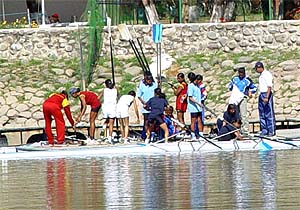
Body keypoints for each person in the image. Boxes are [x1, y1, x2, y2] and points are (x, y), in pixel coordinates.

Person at [228, 67, 257, 134]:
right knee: (236, 114)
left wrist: (250, 92)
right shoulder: (234, 79)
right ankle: (237, 129)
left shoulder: (247, 80)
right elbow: (230, 87)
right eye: (240, 73)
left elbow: (254, 88)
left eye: (242, 73)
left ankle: (245, 130)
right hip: (235, 98)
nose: (241, 74)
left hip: (243, 98)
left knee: (243, 114)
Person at [255, 61, 276, 136]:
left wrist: (267, 96)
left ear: (260, 67)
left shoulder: (267, 74)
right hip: (261, 94)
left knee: (269, 113)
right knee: (262, 113)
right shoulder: (261, 75)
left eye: (256, 68)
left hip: (266, 94)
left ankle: (271, 130)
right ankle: (264, 130)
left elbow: (269, 86)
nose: (256, 70)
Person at [137, 72, 158, 141]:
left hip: (153, 105)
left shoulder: (154, 85)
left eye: (150, 80)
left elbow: (156, 93)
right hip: (146, 105)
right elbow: (139, 96)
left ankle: (152, 133)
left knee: (153, 121)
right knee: (146, 121)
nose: (149, 81)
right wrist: (144, 103)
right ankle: (146, 134)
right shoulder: (142, 85)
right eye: (148, 80)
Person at [98, 79, 118, 143]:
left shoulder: (104, 90)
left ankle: (103, 128)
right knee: (111, 123)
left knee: (107, 120)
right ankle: (110, 137)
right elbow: (118, 96)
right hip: (112, 107)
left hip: (105, 108)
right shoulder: (115, 90)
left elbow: (98, 98)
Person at [187, 74, 204, 140]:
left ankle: (201, 135)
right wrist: (198, 103)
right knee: (193, 121)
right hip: (193, 107)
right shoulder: (191, 86)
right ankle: (193, 135)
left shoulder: (197, 86)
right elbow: (190, 97)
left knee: (200, 120)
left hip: (199, 107)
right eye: (200, 81)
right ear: (197, 80)